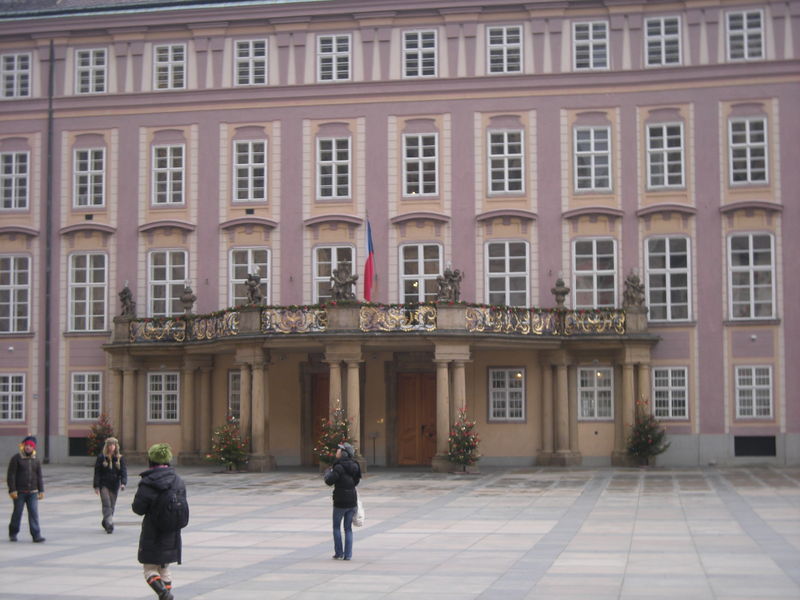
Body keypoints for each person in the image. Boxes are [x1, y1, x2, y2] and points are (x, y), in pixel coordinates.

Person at [132, 443, 186, 600]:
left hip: (153, 531)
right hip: (172, 530)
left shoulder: (148, 482)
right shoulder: (178, 480)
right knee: (164, 569)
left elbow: (138, 508)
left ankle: (163, 593)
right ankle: (165, 595)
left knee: (149, 569)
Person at [323, 442, 361, 560]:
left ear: (344, 453)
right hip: (352, 500)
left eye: (339, 450)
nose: (337, 452)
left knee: (336, 527)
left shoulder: (338, 467)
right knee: (348, 528)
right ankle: (348, 555)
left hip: (340, 501)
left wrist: (327, 472)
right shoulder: (355, 465)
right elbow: (356, 481)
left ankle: (339, 553)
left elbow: (329, 481)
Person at [7, 435, 45, 543]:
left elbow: (39, 476)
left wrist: (41, 490)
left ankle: (36, 535)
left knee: (33, 514)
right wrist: (12, 490)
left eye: (30, 446)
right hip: (19, 492)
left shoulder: (35, 460)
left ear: (33, 448)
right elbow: (11, 475)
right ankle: (13, 533)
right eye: (26, 445)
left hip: (33, 492)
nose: (28, 447)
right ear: (23, 446)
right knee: (17, 513)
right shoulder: (16, 458)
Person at [93, 436, 127, 533]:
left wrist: (123, 483)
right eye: (110, 445)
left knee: (112, 505)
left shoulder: (120, 459)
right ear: (107, 446)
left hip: (114, 484)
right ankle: (109, 524)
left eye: (113, 445)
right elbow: (97, 472)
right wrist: (96, 486)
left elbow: (123, 472)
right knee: (106, 503)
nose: (112, 447)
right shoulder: (101, 458)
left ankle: (106, 521)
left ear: (116, 446)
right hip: (104, 484)